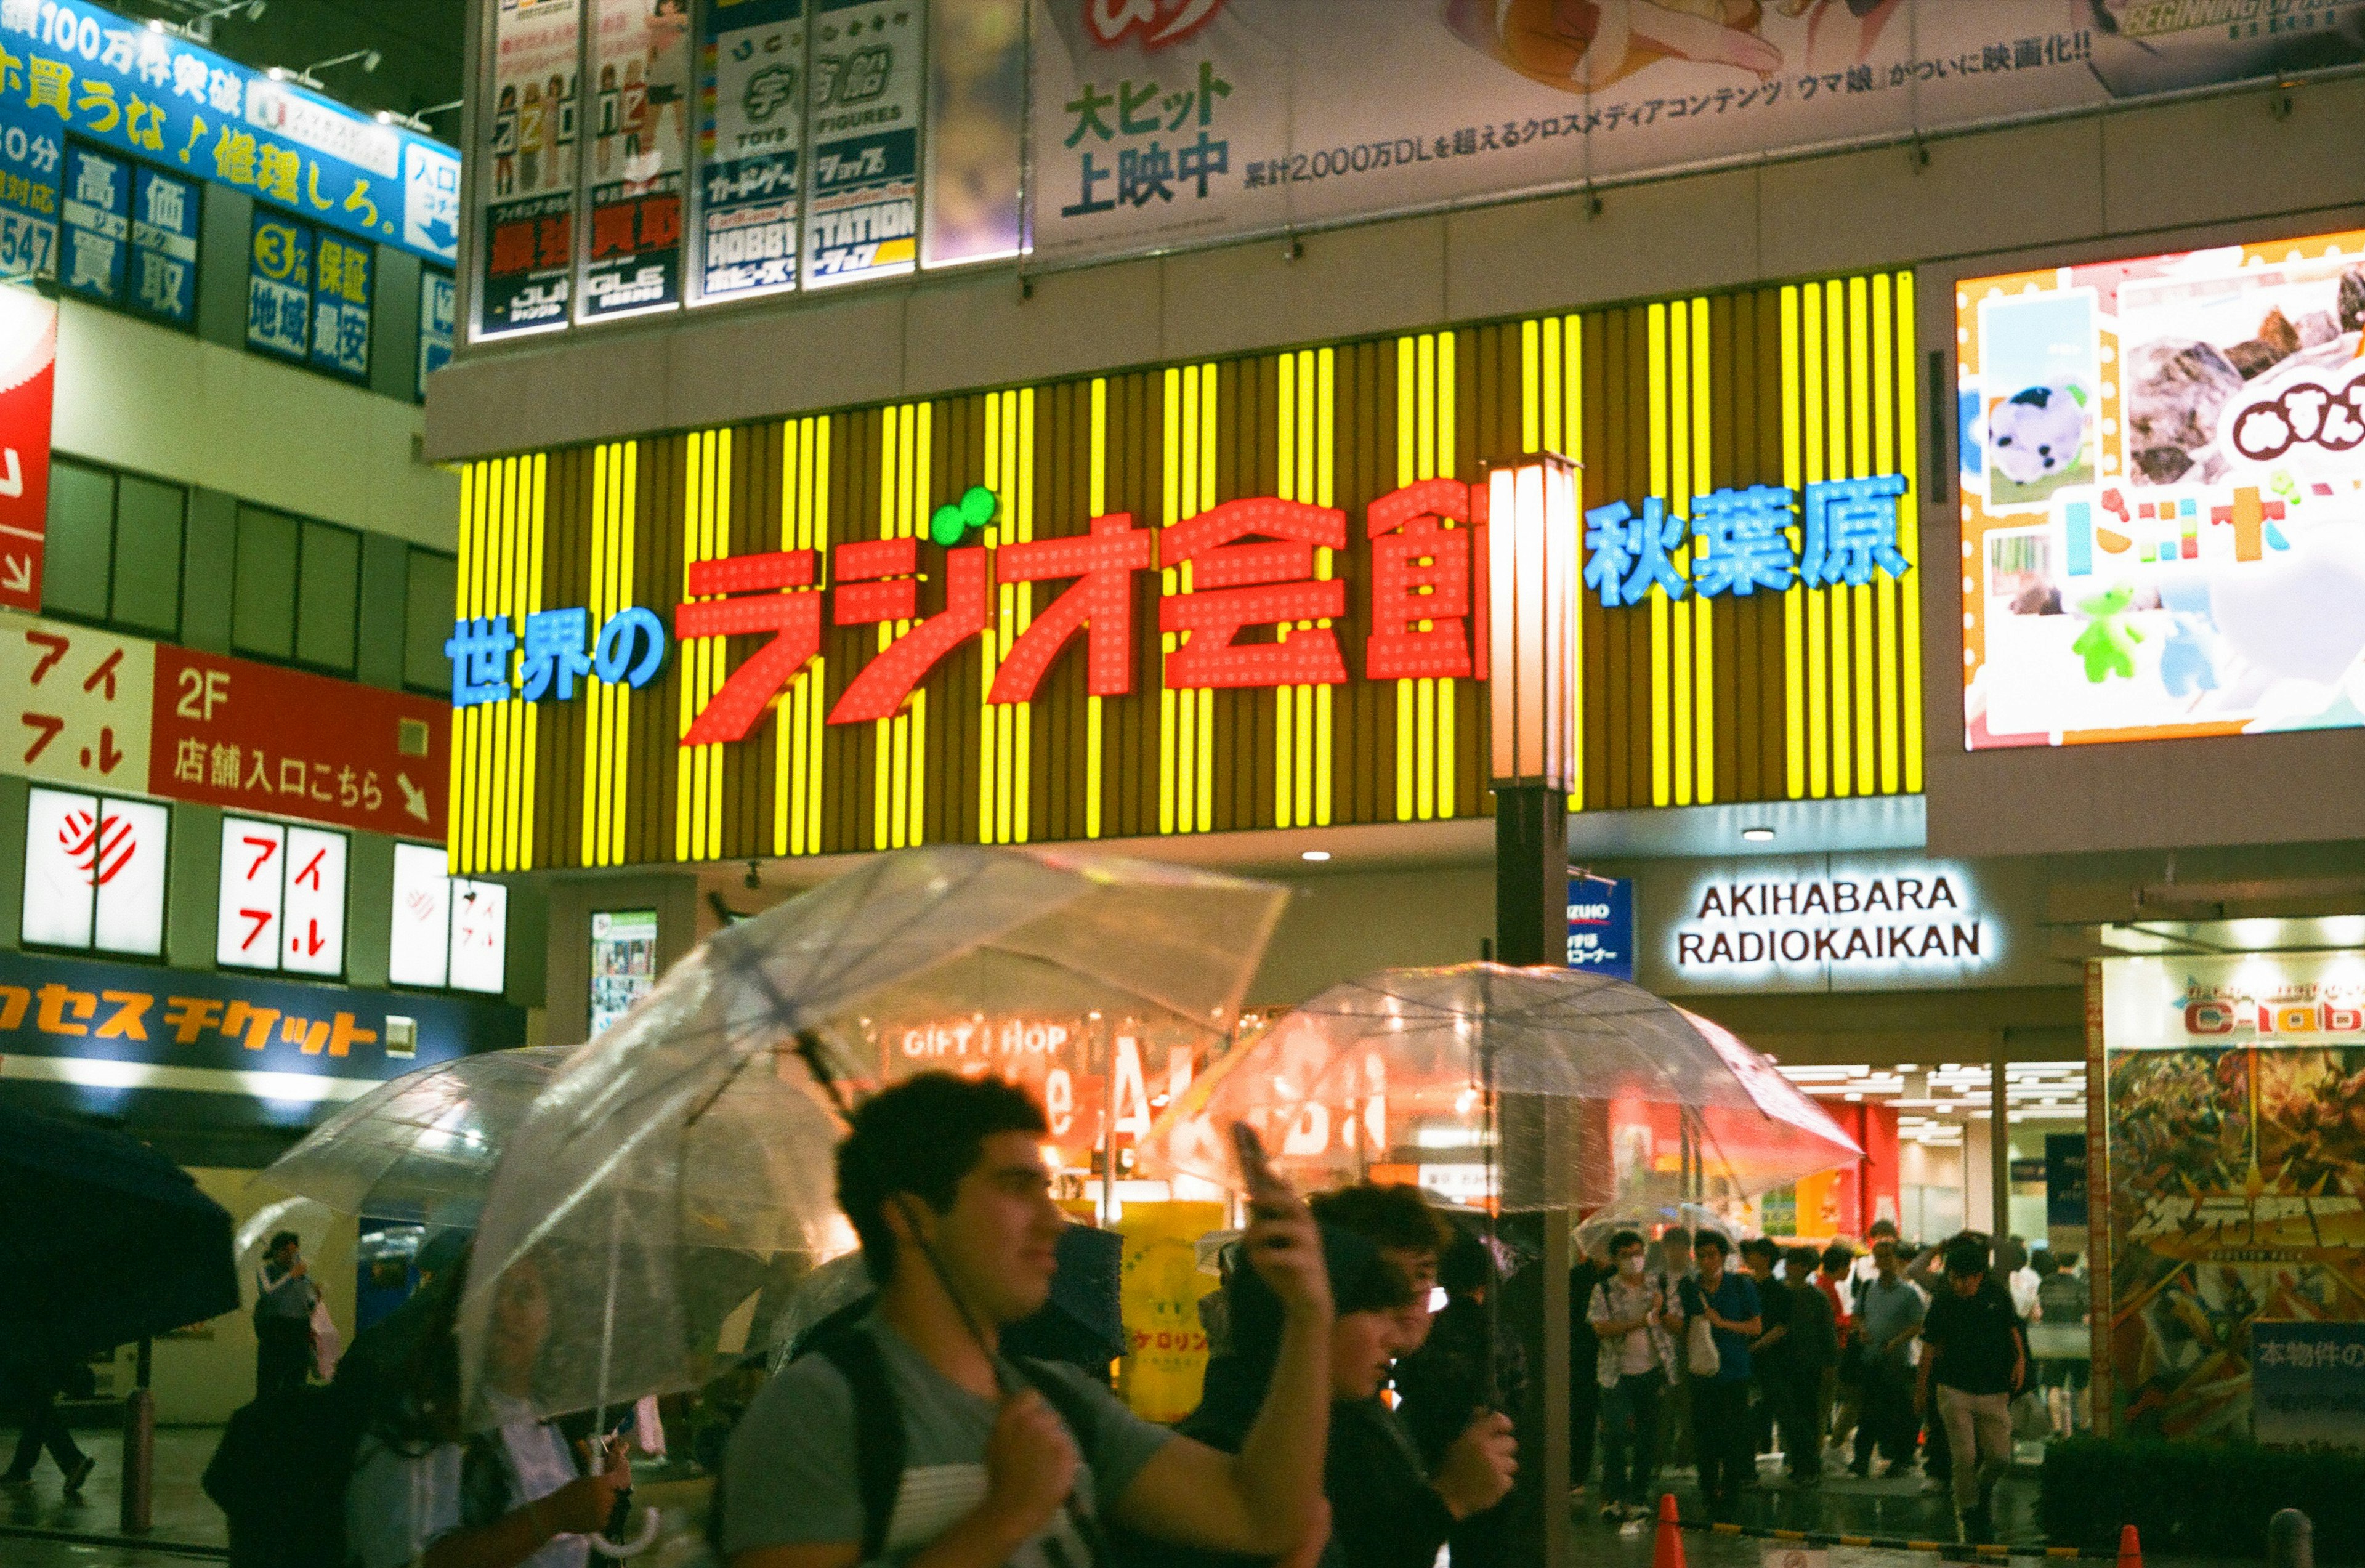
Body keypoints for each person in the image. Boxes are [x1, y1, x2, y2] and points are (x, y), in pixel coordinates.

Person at [722, 1073, 1338, 1568]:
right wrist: (1006, 1515)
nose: (1052, 1223)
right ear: (912, 1217)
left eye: (1046, 1189)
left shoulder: (1058, 1401)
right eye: (1017, 1188)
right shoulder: (818, 1411)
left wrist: (1308, 1318)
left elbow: (1261, 1513)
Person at [342, 1252, 634, 1568]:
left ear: (551, 1320)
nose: (503, 1310)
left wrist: (596, 1491)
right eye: (488, 1292)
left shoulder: (545, 1420)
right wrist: (552, 1516)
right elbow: (411, 1561)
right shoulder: (424, 1418)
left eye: (524, 1295)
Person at [1319, 1189, 1518, 1568]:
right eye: (1382, 1290)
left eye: (1424, 1274)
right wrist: (1449, 1498)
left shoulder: (1363, 1401)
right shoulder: (1306, 1423)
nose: (1411, 1296)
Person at [1916, 1237, 2026, 1543]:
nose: (1957, 1285)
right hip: (1954, 1388)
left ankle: (1982, 1490)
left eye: (1963, 1279)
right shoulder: (1943, 1301)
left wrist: (2020, 1362)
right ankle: (1970, 1510)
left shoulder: (1996, 1296)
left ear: (1978, 1276)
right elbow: (1929, 1348)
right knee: (1964, 1454)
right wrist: (1921, 1389)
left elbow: (2013, 1329)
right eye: (1952, 1278)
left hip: (1993, 1389)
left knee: (2000, 1456)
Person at [1585, 1229, 1671, 1526]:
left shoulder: (1656, 1285)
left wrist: (1661, 1310)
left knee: (1648, 1437)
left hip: (1651, 1371)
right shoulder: (1605, 1289)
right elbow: (1600, 1328)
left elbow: (1672, 1324)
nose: (1633, 1260)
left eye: (1637, 1253)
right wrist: (1640, 1321)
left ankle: (1638, 1497)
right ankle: (1612, 1497)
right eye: (1626, 1256)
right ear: (1615, 1259)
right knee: (1615, 1435)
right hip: (1615, 1374)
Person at [1676, 1231, 1760, 1524]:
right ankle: (1709, 1492)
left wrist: (1724, 1324)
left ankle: (1732, 1492)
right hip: (1701, 1372)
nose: (1707, 1261)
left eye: (1712, 1255)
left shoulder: (1739, 1285)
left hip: (1735, 1371)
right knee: (1705, 1436)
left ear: (1723, 1256)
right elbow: (1682, 1326)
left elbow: (1755, 1327)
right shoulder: (1689, 1288)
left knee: (1733, 1436)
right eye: (1701, 1256)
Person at [1849, 1236, 1925, 1478]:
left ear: (1896, 1260)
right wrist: (1861, 1329)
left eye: (1887, 1256)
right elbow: (1857, 1316)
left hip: (1898, 1363)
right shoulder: (1868, 1288)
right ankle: (1861, 1459)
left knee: (1900, 1412)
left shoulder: (1908, 1293)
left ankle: (1901, 1458)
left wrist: (1894, 1342)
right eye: (1878, 1257)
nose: (1883, 1261)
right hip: (1871, 1360)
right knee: (1868, 1412)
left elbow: (1918, 1325)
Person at [0, 1343, 95, 1496]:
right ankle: (21, 1470)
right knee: (37, 1410)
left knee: (36, 1408)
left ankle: (69, 1461)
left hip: (29, 1359)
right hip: (38, 1358)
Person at [1567, 1233, 1612, 1503]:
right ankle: (1578, 1473)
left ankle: (1611, 1477)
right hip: (1583, 1354)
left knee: (1613, 1420)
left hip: (1612, 1353)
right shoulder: (1576, 1276)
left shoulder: (1618, 1279)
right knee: (1581, 1416)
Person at [1737, 1239, 1790, 1466]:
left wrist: (1756, 1346)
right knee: (1753, 1408)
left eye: (1754, 1254)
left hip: (1772, 1358)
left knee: (1776, 1404)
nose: (1749, 1258)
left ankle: (1772, 1449)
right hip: (1750, 1357)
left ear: (1766, 1258)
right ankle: (1757, 1449)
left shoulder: (1777, 1290)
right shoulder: (1745, 1286)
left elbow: (1781, 1326)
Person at [255, 1230, 321, 1399]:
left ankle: (293, 1421)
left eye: (294, 1251)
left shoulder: (303, 1275)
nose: (290, 1255)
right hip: (276, 1332)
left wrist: (315, 1296)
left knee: (297, 1384)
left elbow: (307, 1303)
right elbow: (268, 1294)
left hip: (299, 1332)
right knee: (270, 1383)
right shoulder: (266, 1271)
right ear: (276, 1251)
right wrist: (290, 1276)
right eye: (285, 1251)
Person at [2032, 1251, 2092, 1436]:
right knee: (2082, 1386)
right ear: (2076, 1261)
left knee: (2054, 1385)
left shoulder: (2046, 1283)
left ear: (2057, 1260)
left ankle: (2057, 1429)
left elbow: (2038, 1312)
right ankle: (2084, 1426)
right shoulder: (2080, 1285)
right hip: (2076, 1338)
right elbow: (2087, 1318)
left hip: (2052, 1339)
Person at [1815, 1243, 1858, 1452]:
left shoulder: (1826, 1285)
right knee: (1826, 1403)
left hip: (1831, 1351)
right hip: (1830, 1354)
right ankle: (1820, 1449)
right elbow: (1831, 1320)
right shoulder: (1825, 1288)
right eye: (1847, 1266)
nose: (1849, 1271)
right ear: (1839, 1267)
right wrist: (1852, 1321)